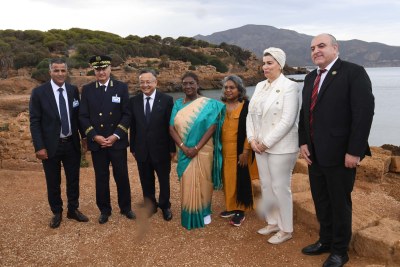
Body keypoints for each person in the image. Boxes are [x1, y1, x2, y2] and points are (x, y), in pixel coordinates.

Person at [299, 34, 374, 267]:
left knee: (339, 203)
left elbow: (363, 114)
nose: (316, 51)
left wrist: (354, 151)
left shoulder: (354, 72)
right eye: (312, 48)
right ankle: (326, 240)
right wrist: (302, 142)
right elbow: (305, 114)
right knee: (321, 200)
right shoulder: (311, 77)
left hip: (341, 155)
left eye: (321, 46)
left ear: (335, 48)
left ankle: (340, 251)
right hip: (315, 154)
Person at [246, 47, 300, 244]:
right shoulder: (260, 86)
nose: (265, 67)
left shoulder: (290, 87)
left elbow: (288, 120)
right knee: (267, 186)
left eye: (270, 63)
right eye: (264, 63)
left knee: (280, 187)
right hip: (259, 146)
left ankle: (286, 229)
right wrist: (252, 139)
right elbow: (250, 115)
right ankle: (273, 222)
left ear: (280, 64)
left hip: (281, 147)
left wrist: (265, 143)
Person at [29, 58, 89, 228]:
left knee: (73, 179)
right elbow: (34, 121)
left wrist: (84, 137)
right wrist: (39, 146)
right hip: (50, 145)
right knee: (53, 181)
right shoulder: (39, 93)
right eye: (56, 70)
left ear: (67, 71)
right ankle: (57, 212)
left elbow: (77, 117)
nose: (60, 74)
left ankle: (73, 210)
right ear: (50, 72)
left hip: (71, 143)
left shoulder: (72, 90)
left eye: (63, 70)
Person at [79, 55, 135, 224]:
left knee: (122, 176)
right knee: (101, 177)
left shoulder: (121, 87)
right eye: (97, 69)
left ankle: (126, 208)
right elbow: (83, 116)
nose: (101, 72)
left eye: (104, 68)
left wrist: (116, 135)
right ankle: (104, 210)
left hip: (116, 141)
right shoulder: (87, 89)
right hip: (98, 143)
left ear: (110, 69)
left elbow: (127, 114)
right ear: (94, 71)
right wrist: (94, 136)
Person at [169, 72, 225, 230]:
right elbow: (171, 128)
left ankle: (205, 212)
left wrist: (196, 148)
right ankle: (189, 213)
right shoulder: (178, 104)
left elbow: (212, 126)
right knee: (186, 182)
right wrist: (183, 147)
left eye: (191, 83)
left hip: (203, 150)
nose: (188, 86)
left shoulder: (209, 104)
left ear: (197, 84)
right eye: (185, 83)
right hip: (184, 151)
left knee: (204, 181)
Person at [129, 69, 175, 221]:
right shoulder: (133, 101)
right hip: (141, 149)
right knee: (146, 179)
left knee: (163, 180)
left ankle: (165, 206)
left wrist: (172, 148)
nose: (145, 85)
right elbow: (133, 126)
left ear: (156, 82)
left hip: (161, 149)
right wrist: (133, 147)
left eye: (148, 82)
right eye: (142, 82)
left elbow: (170, 126)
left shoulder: (167, 100)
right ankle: (151, 205)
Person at [219, 75, 258, 227]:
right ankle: (231, 207)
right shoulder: (221, 106)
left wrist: (246, 151)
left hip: (240, 150)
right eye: (226, 87)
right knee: (227, 179)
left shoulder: (246, 105)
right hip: (224, 150)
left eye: (232, 87)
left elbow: (251, 129)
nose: (228, 90)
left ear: (239, 89)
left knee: (240, 179)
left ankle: (240, 210)